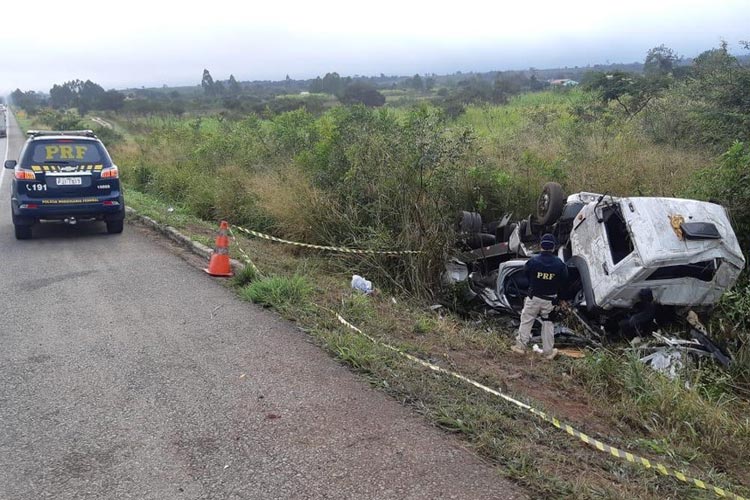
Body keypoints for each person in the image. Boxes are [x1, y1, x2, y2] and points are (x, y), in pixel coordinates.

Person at [511, 233, 568, 360]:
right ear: (553, 248)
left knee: (527, 320)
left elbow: (526, 275)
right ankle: (548, 353)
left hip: (533, 298)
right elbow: (564, 282)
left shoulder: (533, 261)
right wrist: (560, 298)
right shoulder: (560, 265)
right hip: (550, 301)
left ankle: (520, 347)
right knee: (548, 324)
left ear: (541, 246)